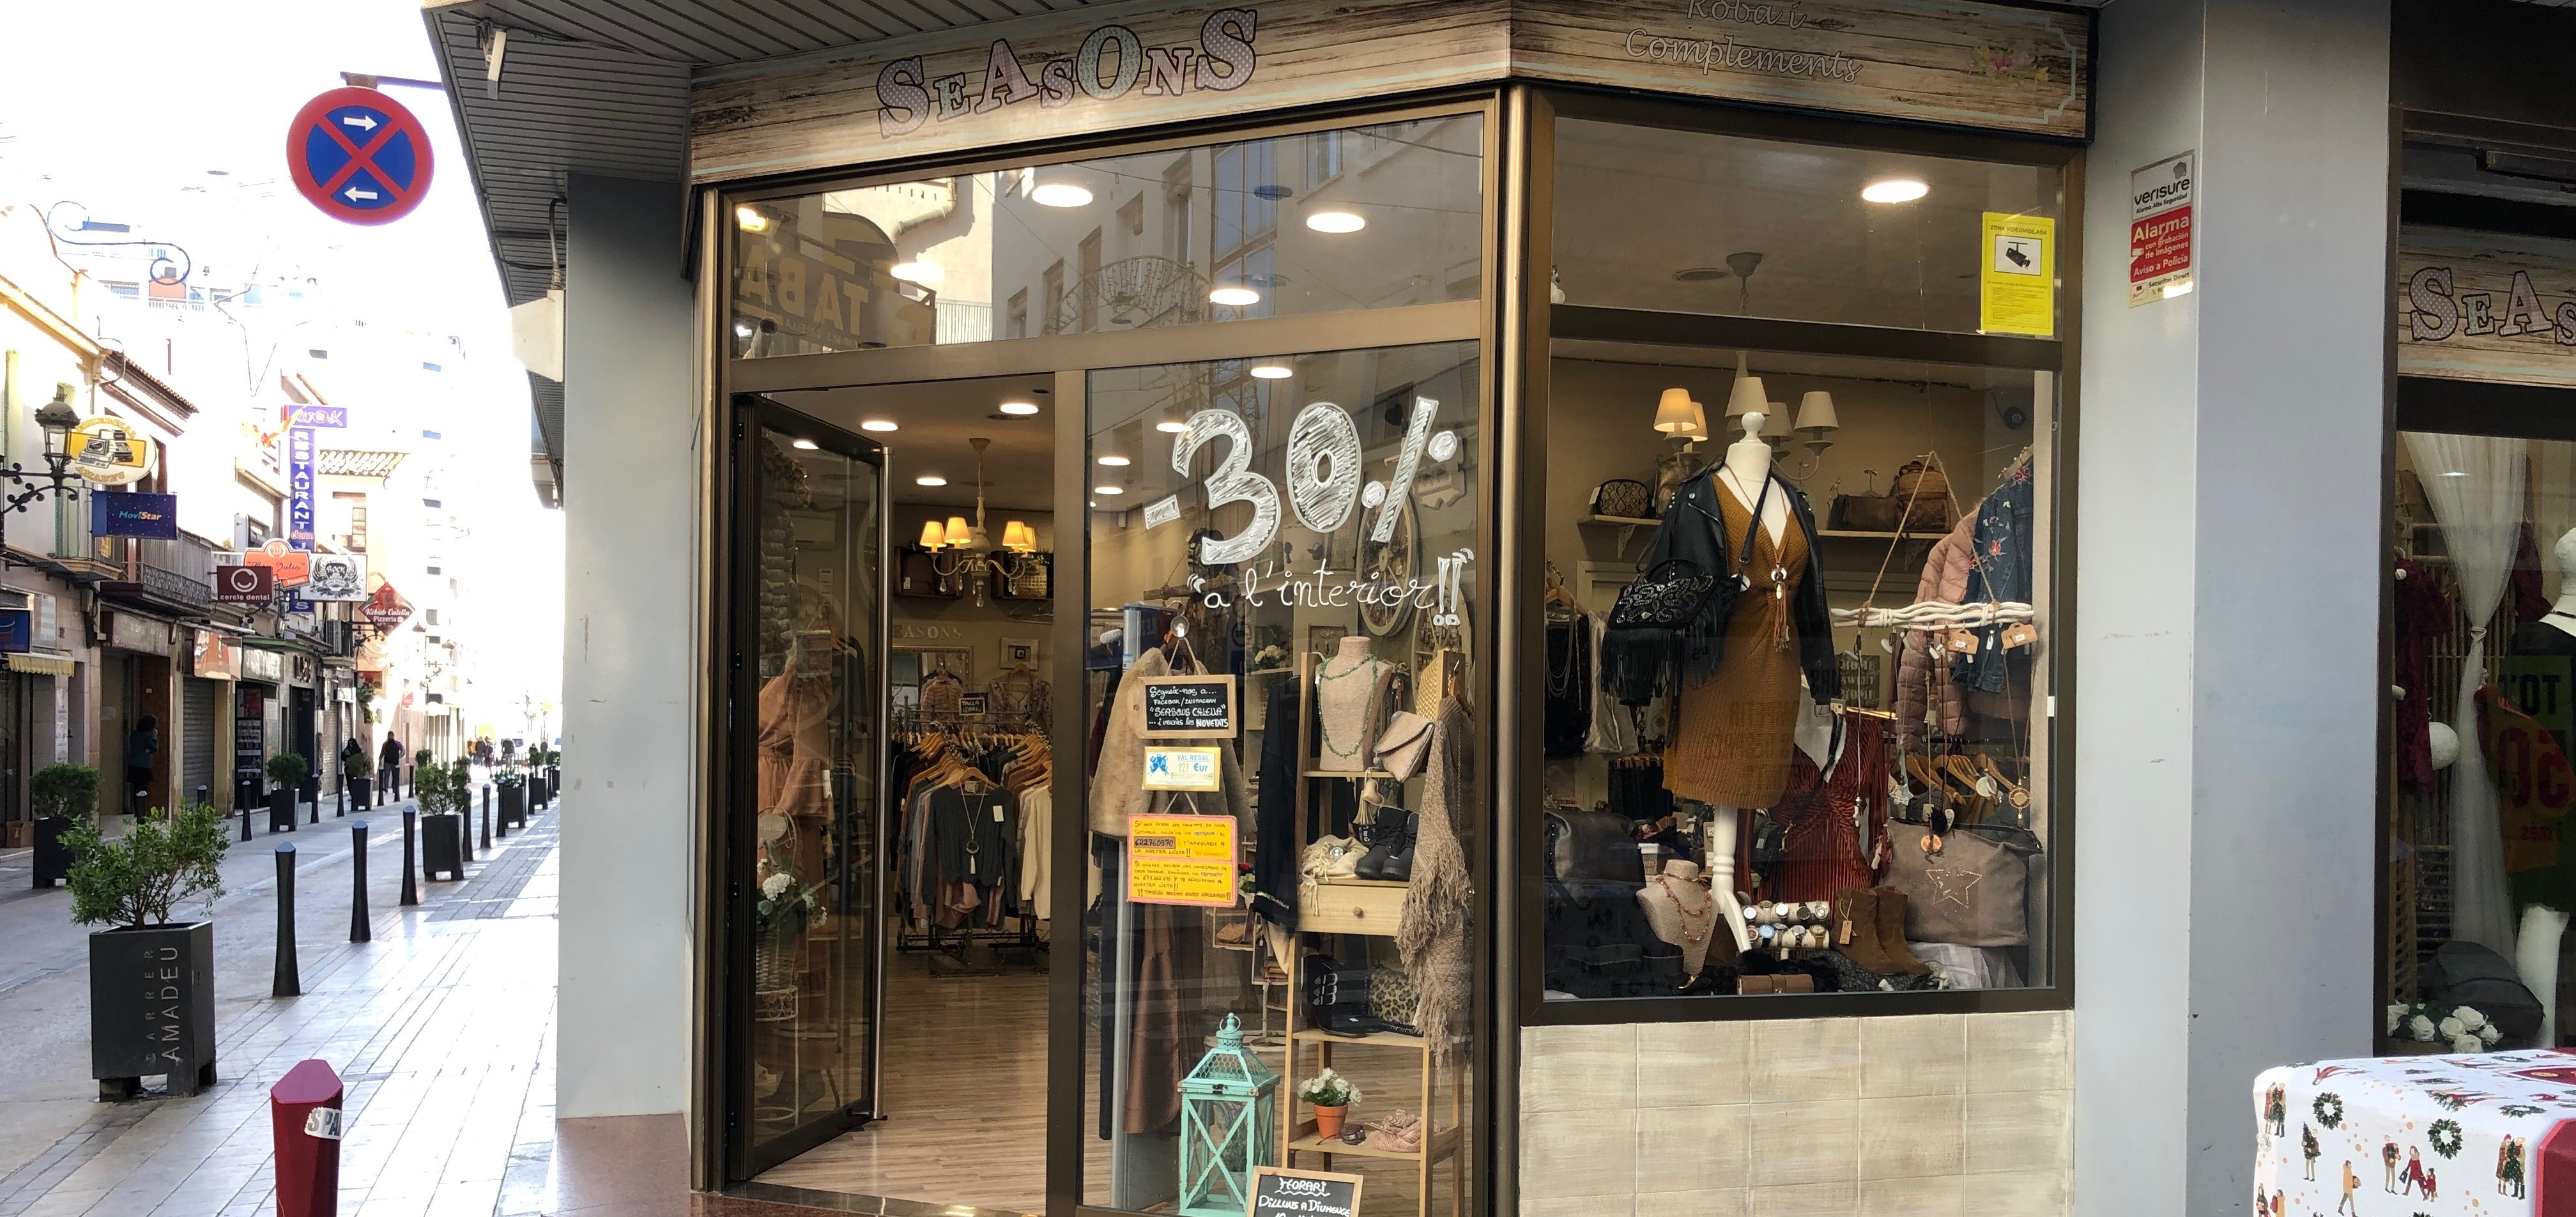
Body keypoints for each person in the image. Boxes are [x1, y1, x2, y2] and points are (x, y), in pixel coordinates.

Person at [126, 715, 158, 818]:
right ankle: (141, 813)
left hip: (133, 765)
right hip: (144, 767)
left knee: (135, 789)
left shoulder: (134, 735)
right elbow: (154, 749)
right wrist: (155, 738)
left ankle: (137, 811)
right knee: (143, 789)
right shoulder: (146, 737)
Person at [379, 734, 405, 800]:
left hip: (395, 763)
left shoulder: (397, 743)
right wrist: (380, 760)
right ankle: (386, 788)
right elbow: (382, 752)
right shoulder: (385, 744)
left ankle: (394, 788)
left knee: (395, 776)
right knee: (386, 776)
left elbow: (403, 750)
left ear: (393, 736)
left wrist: (399, 756)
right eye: (389, 735)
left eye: (391, 735)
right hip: (387, 763)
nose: (390, 737)